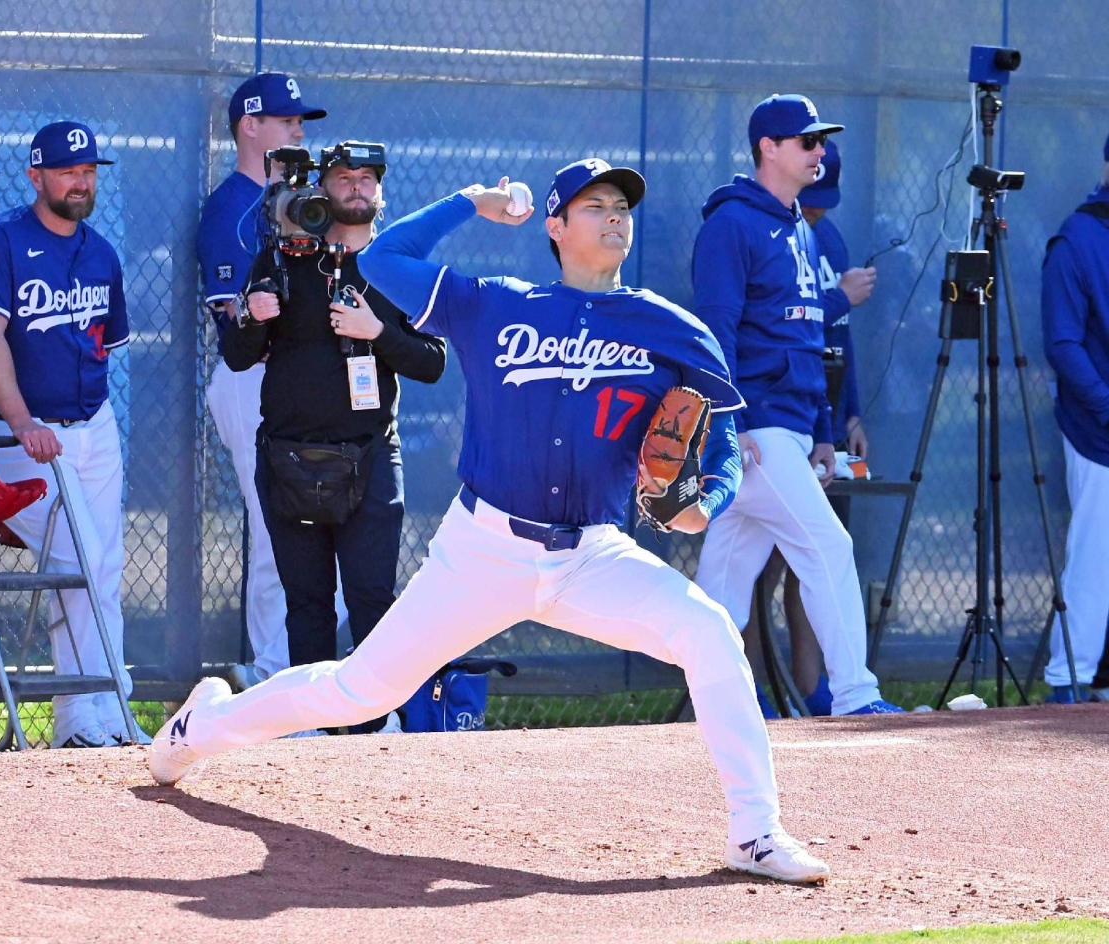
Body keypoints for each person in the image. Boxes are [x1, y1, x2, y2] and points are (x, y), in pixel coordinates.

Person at [152, 157, 833, 885]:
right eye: (594, 204)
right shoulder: (495, 304)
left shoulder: (672, 329)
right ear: (554, 223)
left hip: (593, 556)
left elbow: (723, 440)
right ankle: (200, 728)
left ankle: (755, 833)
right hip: (483, 549)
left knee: (708, 633)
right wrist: (466, 203)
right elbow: (381, 258)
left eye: (622, 207)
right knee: (360, 689)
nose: (613, 216)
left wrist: (711, 499)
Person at [222, 141, 446, 735]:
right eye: (343, 177)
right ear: (323, 188)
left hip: (370, 457)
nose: (355, 187)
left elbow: (433, 363)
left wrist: (378, 333)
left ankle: (374, 723)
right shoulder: (284, 258)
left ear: (380, 191)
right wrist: (252, 314)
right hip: (289, 459)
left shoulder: (399, 268)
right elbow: (238, 356)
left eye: (367, 179)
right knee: (308, 604)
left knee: (373, 598)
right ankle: (314, 727)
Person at [691, 94, 900, 716]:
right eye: (807, 141)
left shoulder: (802, 231)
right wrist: (725, 426)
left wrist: (824, 431)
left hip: (789, 427)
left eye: (822, 141)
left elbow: (811, 341)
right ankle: (856, 696)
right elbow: (715, 333)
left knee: (725, 579)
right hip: (755, 428)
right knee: (828, 549)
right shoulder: (731, 224)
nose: (820, 151)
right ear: (768, 149)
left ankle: (709, 697)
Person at [0, 120, 142, 748]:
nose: (80, 182)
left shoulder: (103, 253)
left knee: (102, 566)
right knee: (79, 557)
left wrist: (85, 419)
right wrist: (23, 421)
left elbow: (103, 347)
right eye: (66, 171)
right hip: (21, 439)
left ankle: (100, 716)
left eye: (88, 172)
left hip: (94, 428)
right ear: (36, 176)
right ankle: (85, 712)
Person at [196, 73, 327, 690]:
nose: (298, 128)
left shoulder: (310, 202)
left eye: (300, 119)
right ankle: (277, 671)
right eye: (284, 119)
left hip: (305, 379)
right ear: (251, 125)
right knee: (279, 525)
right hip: (253, 379)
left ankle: (314, 670)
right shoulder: (230, 207)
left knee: (317, 523)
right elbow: (237, 318)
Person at [748, 139, 875, 717]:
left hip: (808, 418)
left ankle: (812, 690)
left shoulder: (818, 232)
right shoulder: (754, 225)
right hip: (766, 420)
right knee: (788, 560)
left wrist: (843, 417)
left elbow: (831, 344)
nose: (817, 206)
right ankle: (841, 694)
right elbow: (775, 324)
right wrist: (838, 298)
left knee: (784, 564)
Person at [1039, 133, 1109, 704]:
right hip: (1098, 433)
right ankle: (1070, 681)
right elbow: (1063, 344)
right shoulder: (1076, 239)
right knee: (1095, 557)